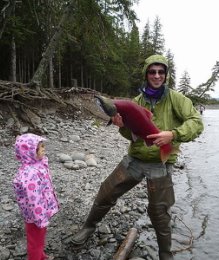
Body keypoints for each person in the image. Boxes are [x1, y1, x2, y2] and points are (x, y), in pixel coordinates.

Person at [71, 54, 204, 260]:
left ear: (166, 75)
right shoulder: (135, 102)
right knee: (107, 191)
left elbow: (197, 122)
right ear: (146, 74)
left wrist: (173, 134)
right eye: (152, 71)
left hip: (161, 163)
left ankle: (165, 254)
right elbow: (130, 135)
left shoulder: (177, 99)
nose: (157, 76)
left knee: (159, 213)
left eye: (161, 72)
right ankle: (88, 226)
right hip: (135, 159)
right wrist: (121, 126)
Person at [13, 133, 59, 260]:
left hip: (41, 211)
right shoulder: (29, 175)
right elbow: (33, 200)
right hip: (35, 216)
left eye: (43, 145)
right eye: (40, 147)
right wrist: (40, 218)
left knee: (40, 237)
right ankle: (35, 257)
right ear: (29, 152)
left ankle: (41, 255)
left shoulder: (37, 164)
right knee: (35, 241)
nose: (44, 148)